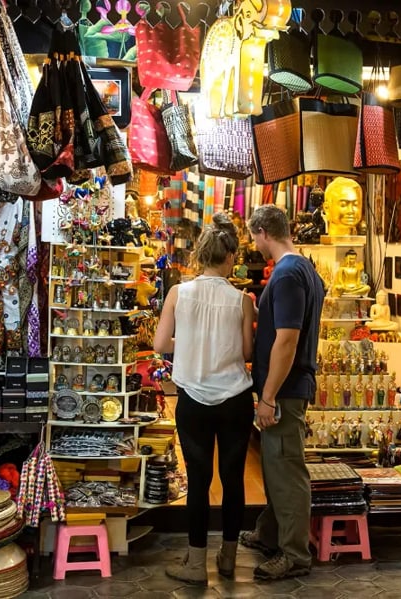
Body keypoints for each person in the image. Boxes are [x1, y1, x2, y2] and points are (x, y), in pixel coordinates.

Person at [154, 212, 256, 585]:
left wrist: (191, 345)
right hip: (234, 399)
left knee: (198, 480)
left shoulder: (179, 293)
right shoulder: (242, 300)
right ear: (229, 257)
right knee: (232, 479)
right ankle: (228, 557)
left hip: (193, 399)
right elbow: (246, 349)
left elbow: (161, 344)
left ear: (200, 255)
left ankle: (196, 564)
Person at [241, 205, 324, 580]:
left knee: (287, 467)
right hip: (287, 385)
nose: (252, 243)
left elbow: (287, 340)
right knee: (276, 465)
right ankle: (271, 533)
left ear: (262, 232)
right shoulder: (302, 267)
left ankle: (294, 553)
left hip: (285, 389)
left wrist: (269, 396)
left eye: (252, 236)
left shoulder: (288, 273)